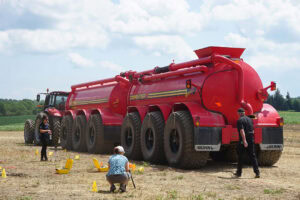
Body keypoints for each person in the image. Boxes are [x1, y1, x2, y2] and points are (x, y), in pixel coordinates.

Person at [234, 108, 260, 178]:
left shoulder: (240, 120)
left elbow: (242, 131)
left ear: (239, 113)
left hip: (244, 140)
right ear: (244, 113)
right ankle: (257, 172)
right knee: (252, 155)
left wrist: (244, 141)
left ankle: (239, 173)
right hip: (251, 138)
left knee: (240, 156)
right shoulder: (249, 119)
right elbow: (253, 126)